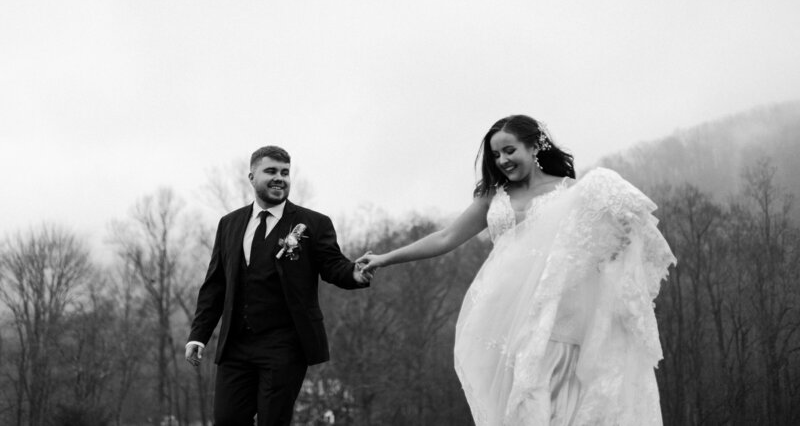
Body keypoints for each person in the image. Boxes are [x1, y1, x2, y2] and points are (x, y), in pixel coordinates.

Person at [357, 115, 676, 426]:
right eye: (495, 154)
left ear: (535, 147)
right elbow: (446, 237)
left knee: (556, 407)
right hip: (503, 321)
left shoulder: (570, 193)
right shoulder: (492, 197)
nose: (502, 160)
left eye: (509, 150)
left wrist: (615, 247)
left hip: (557, 321)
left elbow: (608, 244)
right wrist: (386, 258)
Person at [186, 145, 371, 426]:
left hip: (284, 345)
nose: (279, 178)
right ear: (251, 177)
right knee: (227, 419)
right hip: (235, 346)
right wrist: (198, 335)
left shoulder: (312, 223)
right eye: (271, 171)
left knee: (273, 420)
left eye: (285, 173)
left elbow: (334, 266)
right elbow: (215, 285)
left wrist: (355, 274)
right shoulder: (229, 224)